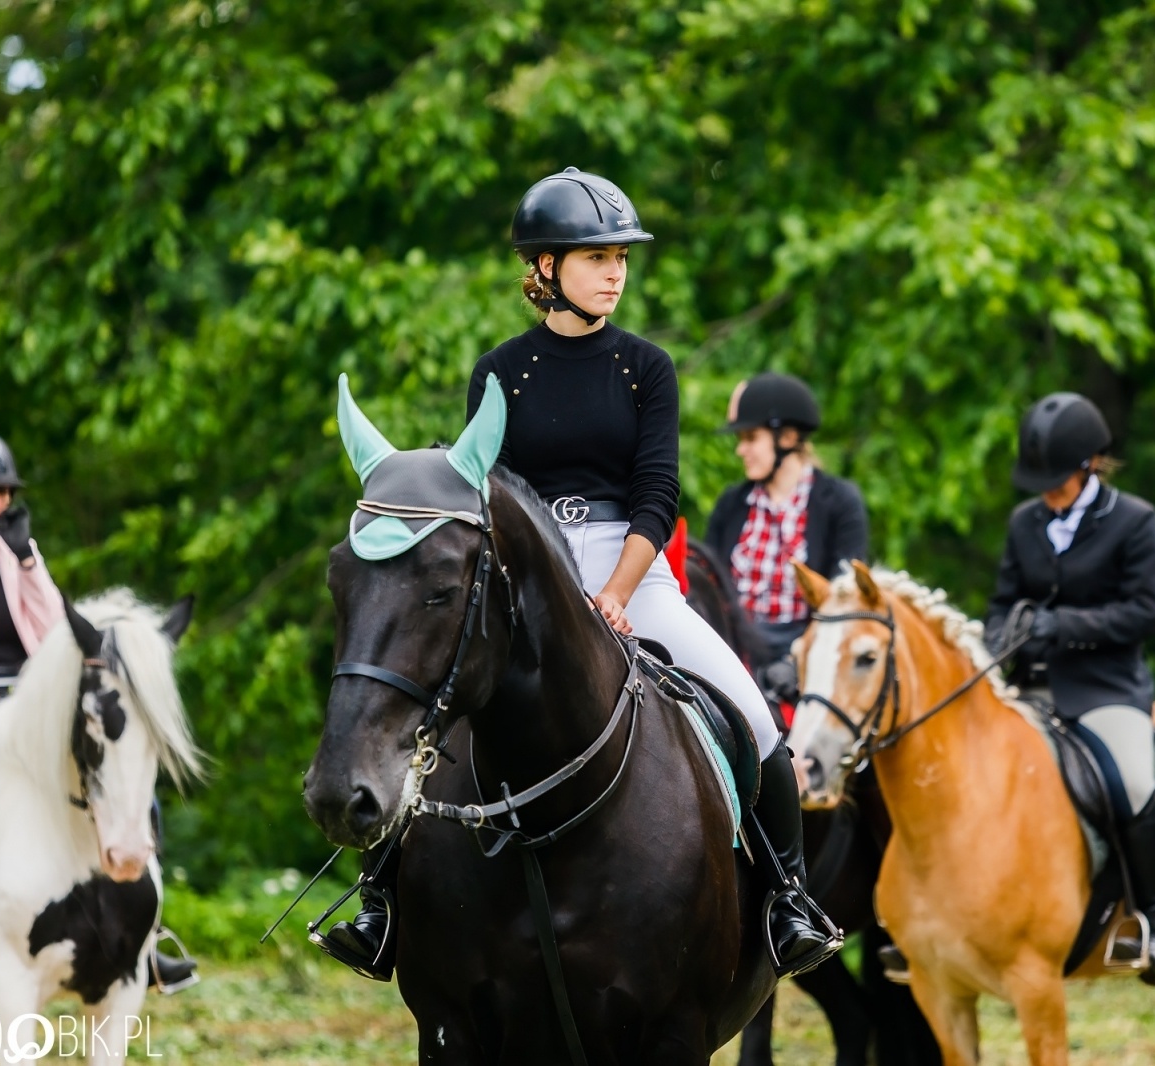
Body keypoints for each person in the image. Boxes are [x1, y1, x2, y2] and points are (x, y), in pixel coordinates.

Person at [320, 167, 844, 981]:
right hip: (524, 577)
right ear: (545, 268)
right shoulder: (498, 371)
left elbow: (656, 494)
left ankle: (787, 904)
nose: (615, 272)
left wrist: (618, 593)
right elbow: (478, 494)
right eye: (596, 256)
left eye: (621, 258)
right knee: (429, 717)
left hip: (631, 570)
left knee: (753, 720)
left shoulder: (647, 366)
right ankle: (381, 907)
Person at [0, 431, 198, 996]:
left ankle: (150, 940)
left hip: (35, 717)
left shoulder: (17, 555)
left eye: (3, 492)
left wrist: (26, 558)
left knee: (140, 797)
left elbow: (58, 633)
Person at [985, 393, 1155, 986]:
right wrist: (998, 639)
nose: (1047, 492)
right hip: (1030, 686)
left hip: (1105, 689)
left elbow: (1149, 611)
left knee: (1132, 784)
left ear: (1091, 465)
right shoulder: (1025, 524)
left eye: (1058, 481)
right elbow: (1001, 602)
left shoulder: (1135, 521)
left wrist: (1061, 625)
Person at [705, 373, 869, 661]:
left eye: (751, 438)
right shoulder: (731, 504)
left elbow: (844, 599)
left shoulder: (840, 503)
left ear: (788, 437)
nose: (740, 449)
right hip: (734, 651)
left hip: (807, 654)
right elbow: (710, 588)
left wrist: (798, 662)